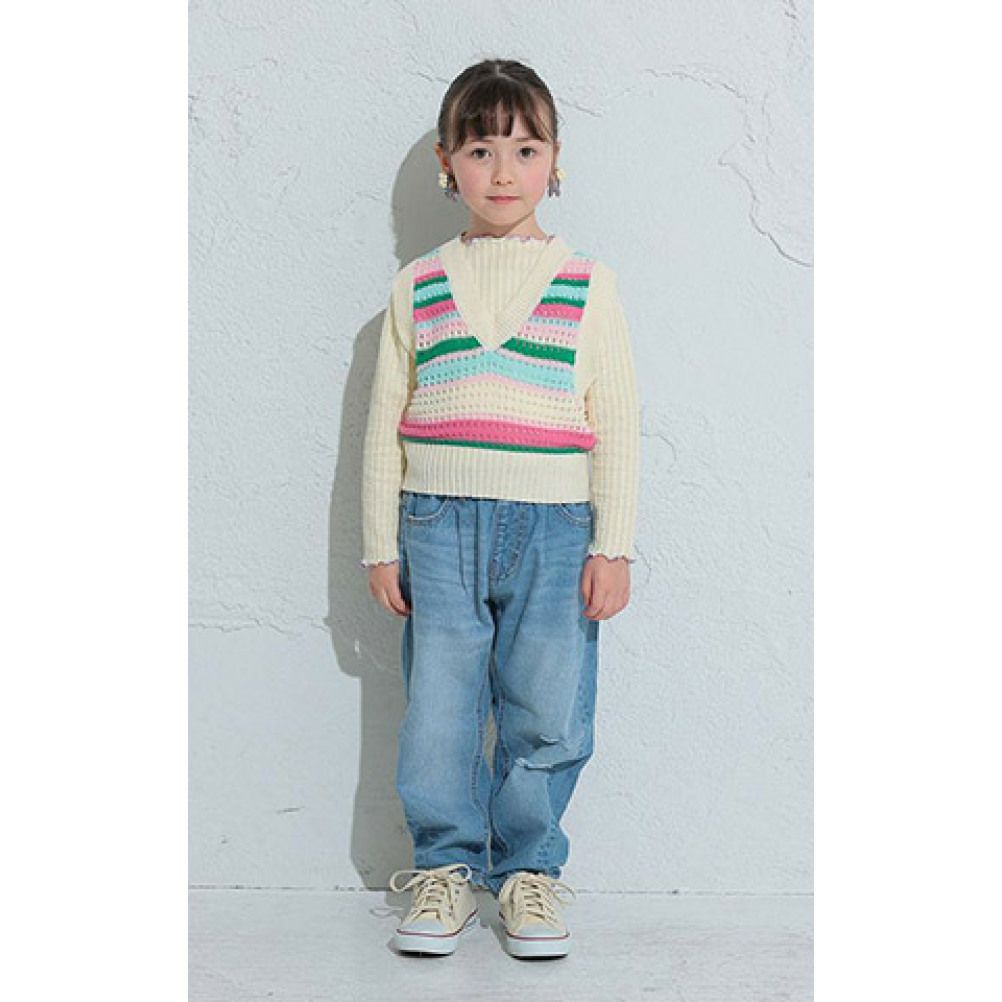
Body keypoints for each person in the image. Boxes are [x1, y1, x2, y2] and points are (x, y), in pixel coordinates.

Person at [360, 58, 641, 960]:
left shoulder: (588, 283)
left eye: (526, 149)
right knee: (439, 708)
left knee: (548, 707)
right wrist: (379, 545)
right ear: (448, 164)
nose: (505, 171)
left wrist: (613, 546)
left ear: (556, 161)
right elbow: (385, 423)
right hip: (437, 525)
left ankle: (528, 872)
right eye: (481, 150)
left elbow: (617, 420)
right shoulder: (418, 285)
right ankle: (444, 865)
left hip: (556, 532)